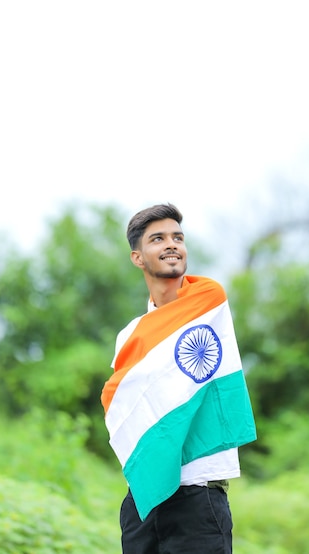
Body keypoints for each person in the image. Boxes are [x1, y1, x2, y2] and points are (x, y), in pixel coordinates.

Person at [101, 203, 256, 554]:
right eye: (158, 239)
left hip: (199, 492)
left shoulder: (207, 302)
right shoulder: (130, 336)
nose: (172, 244)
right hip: (144, 496)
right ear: (138, 258)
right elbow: (125, 402)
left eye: (178, 237)